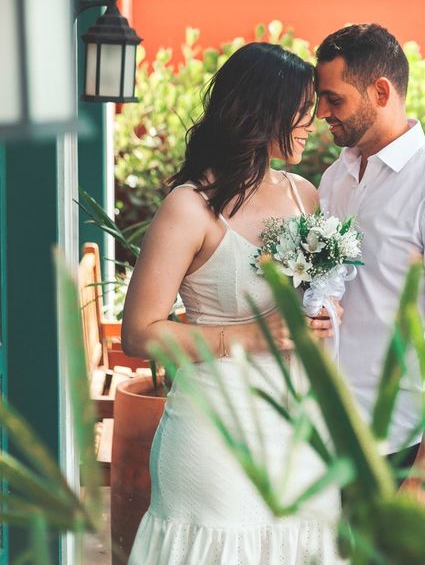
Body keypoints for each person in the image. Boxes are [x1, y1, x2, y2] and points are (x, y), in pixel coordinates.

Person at [123, 42, 342, 564]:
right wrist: (244, 336)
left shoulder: (303, 195)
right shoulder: (189, 207)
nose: (312, 120)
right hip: (214, 432)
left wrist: (322, 316)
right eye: (303, 106)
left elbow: (314, 296)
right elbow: (139, 332)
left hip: (297, 427)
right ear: (263, 109)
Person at [316, 23, 425, 483]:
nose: (321, 112)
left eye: (334, 99)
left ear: (379, 91)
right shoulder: (335, 179)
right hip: (328, 430)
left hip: (403, 443)